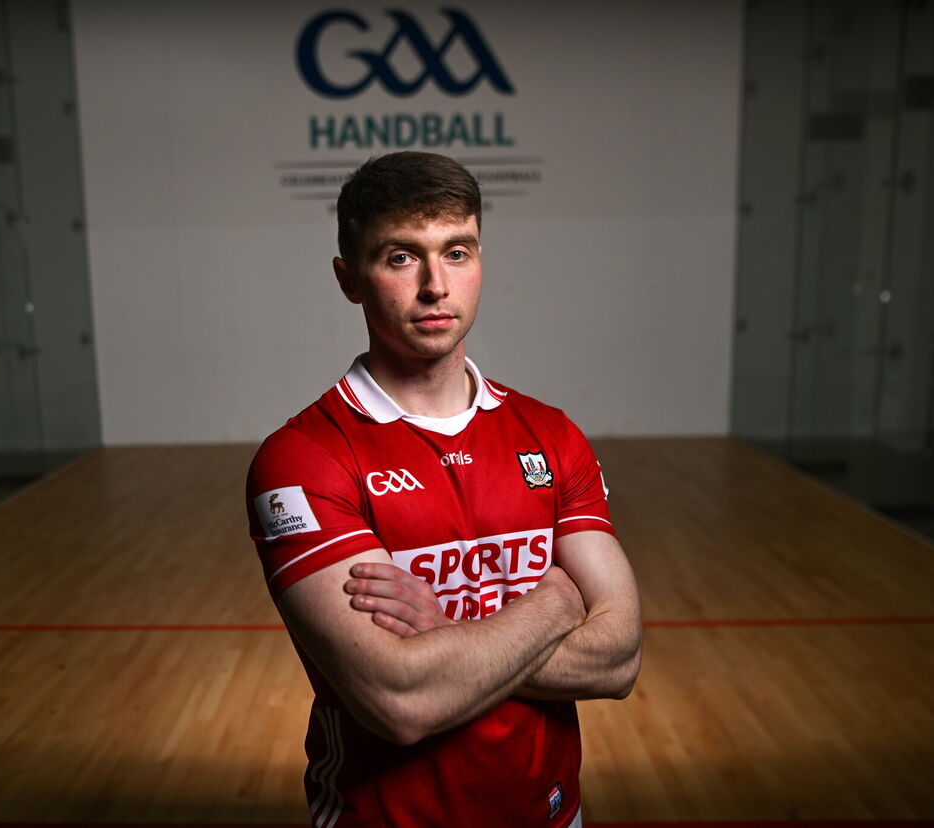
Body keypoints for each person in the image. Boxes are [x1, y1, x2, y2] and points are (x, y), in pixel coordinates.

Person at [246, 151, 642, 828]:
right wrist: (555, 600)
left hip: (553, 812)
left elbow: (619, 657)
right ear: (349, 279)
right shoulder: (302, 460)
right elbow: (400, 699)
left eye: (456, 252)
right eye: (401, 257)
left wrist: (447, 636)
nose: (436, 285)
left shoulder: (551, 435)